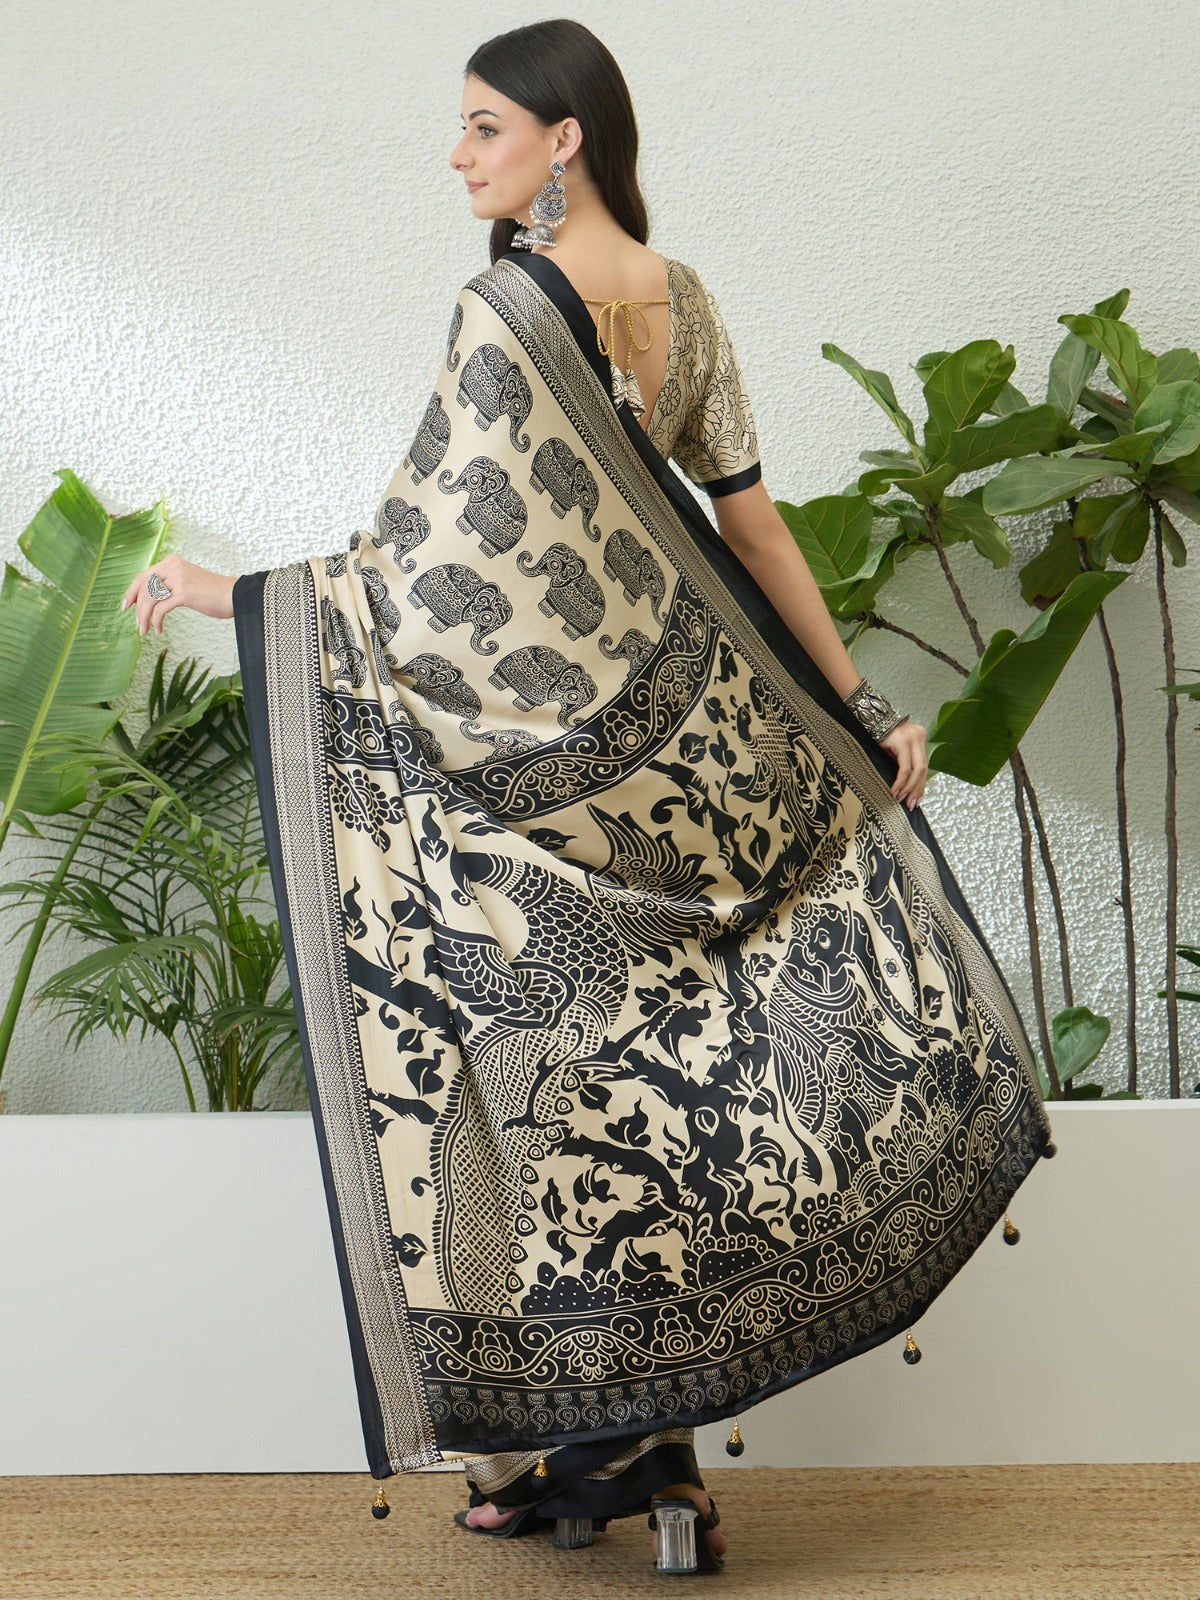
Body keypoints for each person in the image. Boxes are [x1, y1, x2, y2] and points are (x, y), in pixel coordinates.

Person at [122, 18, 1053, 1577]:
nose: (458, 153)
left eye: (484, 126)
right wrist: (856, 704)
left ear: (566, 137)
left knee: (562, 1098)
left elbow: (424, 568)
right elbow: (753, 536)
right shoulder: (682, 303)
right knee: (673, 1094)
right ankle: (658, 1477)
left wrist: (237, 594)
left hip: (541, 797)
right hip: (690, 783)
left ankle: (598, 1456)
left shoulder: (505, 311)